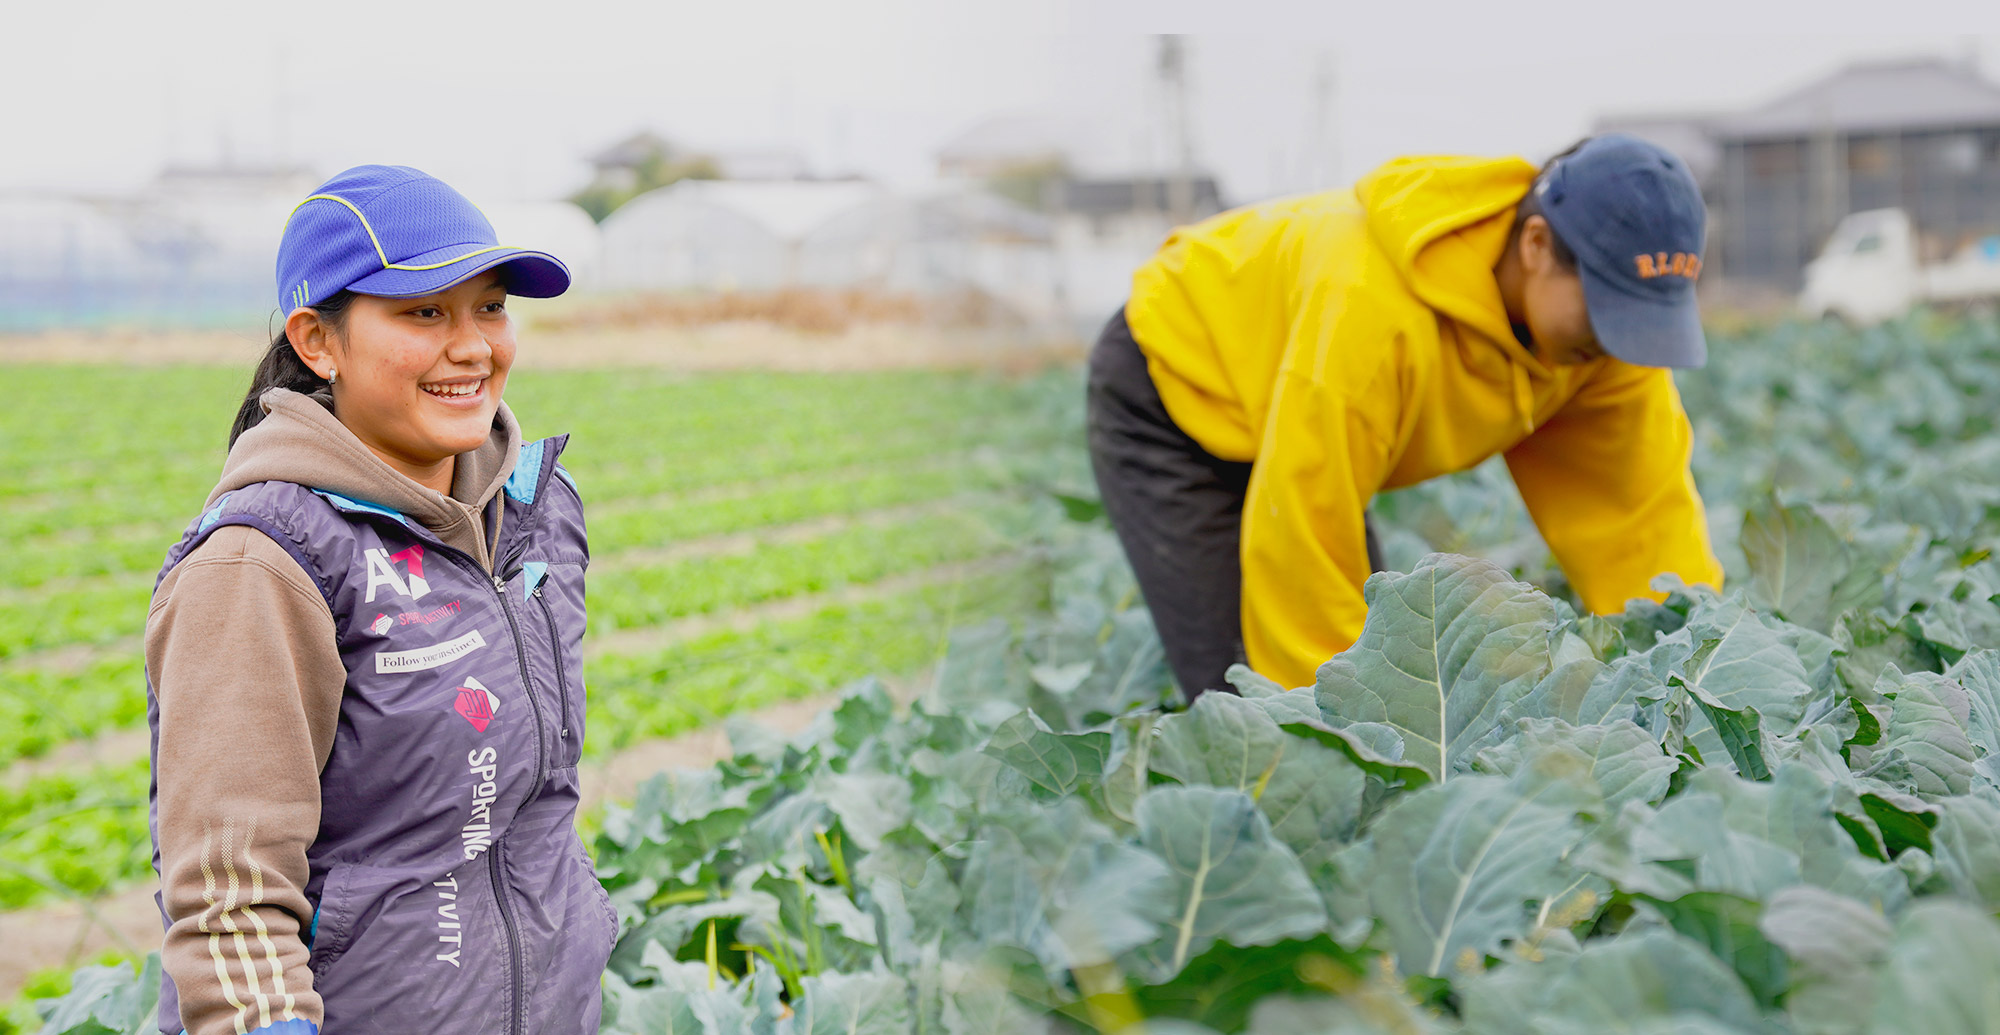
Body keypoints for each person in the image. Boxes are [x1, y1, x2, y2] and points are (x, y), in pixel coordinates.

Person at [145, 165, 614, 1035]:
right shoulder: (264, 562)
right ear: (318, 341)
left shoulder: (537, 513)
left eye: (492, 306)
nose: (474, 346)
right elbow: (230, 900)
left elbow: (534, 811)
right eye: (425, 312)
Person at [1087, 134, 1724, 700]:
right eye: (1610, 309)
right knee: (1246, 685)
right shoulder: (1371, 306)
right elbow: (1305, 531)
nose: (1623, 341)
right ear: (1535, 245)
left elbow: (1642, 514)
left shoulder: (1604, 345)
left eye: (1645, 318)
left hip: (1302, 403)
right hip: (1175, 378)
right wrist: (1329, 735)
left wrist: (1698, 671)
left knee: (1376, 655)